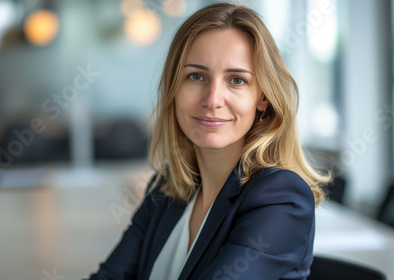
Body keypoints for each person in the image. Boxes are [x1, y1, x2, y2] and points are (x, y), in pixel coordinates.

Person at [86, 2, 330, 280]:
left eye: (237, 80)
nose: (212, 100)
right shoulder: (167, 188)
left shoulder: (280, 199)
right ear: (174, 89)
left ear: (262, 98)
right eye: (196, 76)